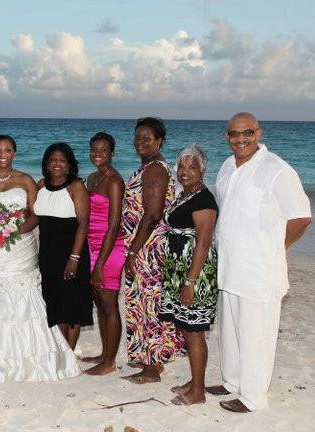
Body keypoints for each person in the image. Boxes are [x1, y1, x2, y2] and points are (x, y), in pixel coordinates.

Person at [0, 135, 80, 382]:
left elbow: (35, 214)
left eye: (8, 150)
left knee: (24, 298)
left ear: (14, 153)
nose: (3, 154)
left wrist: (12, 232)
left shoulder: (25, 179)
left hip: (20, 247)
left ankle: (32, 354)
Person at [207, 112, 311, 413]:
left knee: (256, 334)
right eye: (234, 134)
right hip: (229, 267)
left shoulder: (276, 170)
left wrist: (277, 248)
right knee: (230, 330)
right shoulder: (227, 166)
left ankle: (253, 398)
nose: (241, 139)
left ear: (259, 133)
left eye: (247, 133)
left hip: (260, 271)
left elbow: (301, 217)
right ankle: (232, 382)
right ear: (227, 136)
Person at [122, 117, 184, 384]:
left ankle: (152, 368)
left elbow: (153, 214)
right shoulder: (148, 166)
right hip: (144, 245)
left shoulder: (155, 169)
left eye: (147, 138)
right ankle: (151, 364)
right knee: (145, 305)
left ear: (159, 140)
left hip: (148, 249)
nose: (140, 143)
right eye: (137, 138)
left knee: (149, 306)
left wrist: (134, 251)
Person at [158, 144, 218, 405]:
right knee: (185, 326)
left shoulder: (204, 199)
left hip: (196, 273)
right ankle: (195, 381)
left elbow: (203, 243)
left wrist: (190, 282)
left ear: (203, 170)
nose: (185, 171)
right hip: (178, 270)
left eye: (192, 167)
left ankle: (198, 392)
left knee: (194, 331)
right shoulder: (185, 195)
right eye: (181, 165)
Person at [34, 142, 92, 350]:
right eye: (52, 160)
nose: (56, 164)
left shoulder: (75, 186)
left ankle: (69, 353)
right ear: (46, 164)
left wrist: (74, 258)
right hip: (48, 254)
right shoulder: (40, 185)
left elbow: (84, 223)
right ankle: (61, 350)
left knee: (72, 306)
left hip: (71, 253)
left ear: (69, 165)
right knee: (55, 303)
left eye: (62, 160)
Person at [82, 132, 125, 375]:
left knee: (109, 304)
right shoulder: (92, 177)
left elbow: (114, 224)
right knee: (99, 302)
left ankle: (109, 362)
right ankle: (104, 352)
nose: (98, 154)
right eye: (94, 149)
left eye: (103, 150)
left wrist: (100, 263)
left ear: (112, 153)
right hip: (91, 244)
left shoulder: (114, 181)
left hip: (109, 249)